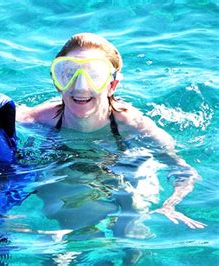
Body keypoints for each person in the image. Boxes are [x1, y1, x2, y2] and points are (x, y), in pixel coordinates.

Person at [17, 32, 206, 230]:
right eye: (69, 73)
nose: (80, 87)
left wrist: (170, 205)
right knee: (64, 215)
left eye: (94, 75)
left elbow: (184, 171)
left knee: (132, 219)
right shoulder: (33, 119)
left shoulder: (135, 126)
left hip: (125, 160)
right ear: (58, 82)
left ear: (112, 85)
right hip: (70, 164)